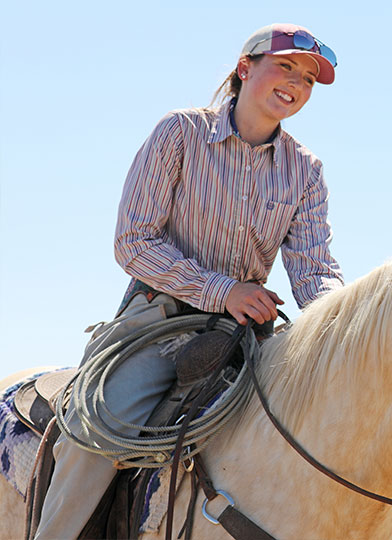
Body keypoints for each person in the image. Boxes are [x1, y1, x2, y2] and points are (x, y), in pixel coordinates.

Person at [35, 23, 343, 539]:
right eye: (285, 66)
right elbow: (133, 241)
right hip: (157, 321)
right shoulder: (180, 132)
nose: (296, 83)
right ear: (245, 68)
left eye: (309, 79)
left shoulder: (305, 171)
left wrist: (339, 323)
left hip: (244, 335)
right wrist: (224, 290)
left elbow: (315, 271)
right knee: (98, 433)